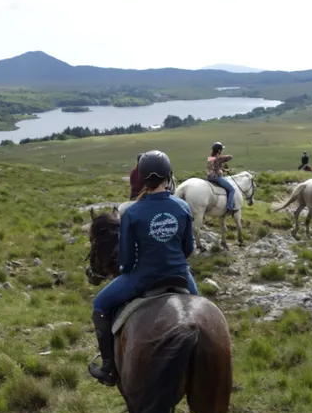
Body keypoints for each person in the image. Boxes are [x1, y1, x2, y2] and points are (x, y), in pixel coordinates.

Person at [88, 150, 199, 387]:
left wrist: (129, 267)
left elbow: (126, 260)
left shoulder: (132, 212)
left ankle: (108, 367)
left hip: (143, 278)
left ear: (142, 178)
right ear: (168, 175)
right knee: (202, 313)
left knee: (99, 305)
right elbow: (188, 248)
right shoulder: (182, 207)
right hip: (180, 275)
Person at [207, 142, 237, 215]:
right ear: (219, 151)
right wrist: (223, 156)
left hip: (209, 177)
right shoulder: (219, 158)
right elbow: (230, 157)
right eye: (221, 149)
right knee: (232, 190)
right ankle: (229, 208)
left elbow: (215, 167)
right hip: (216, 177)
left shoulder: (210, 158)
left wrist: (224, 170)